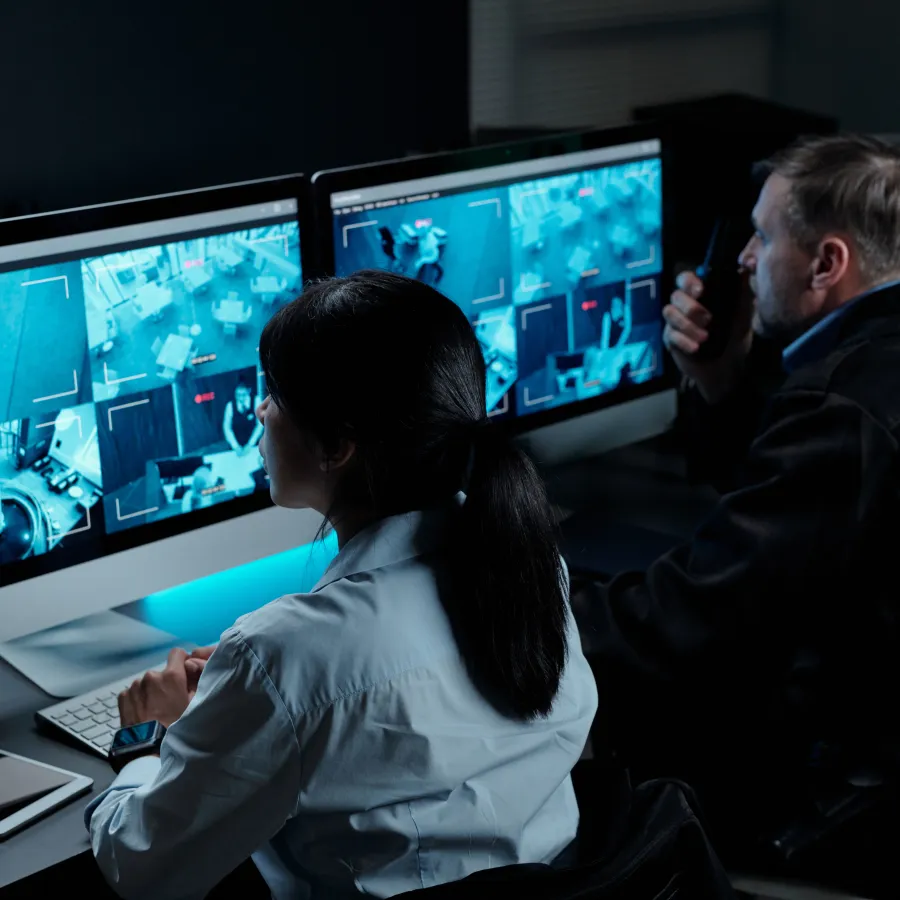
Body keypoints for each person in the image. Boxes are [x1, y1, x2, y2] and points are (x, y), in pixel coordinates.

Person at [84, 271, 598, 900]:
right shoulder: (530, 565)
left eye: (274, 394)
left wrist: (150, 736)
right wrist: (250, 696)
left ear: (335, 447)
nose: (260, 411)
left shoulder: (284, 651)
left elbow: (142, 866)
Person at [583, 134, 900, 873]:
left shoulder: (841, 405)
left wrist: (515, 607)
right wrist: (724, 384)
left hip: (847, 803)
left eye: (762, 237)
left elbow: (689, 624)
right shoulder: (860, 376)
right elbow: (816, 521)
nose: (743, 261)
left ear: (827, 263)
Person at [222, 378, 262, 456]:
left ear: (248, 391)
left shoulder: (256, 401)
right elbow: (227, 427)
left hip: (254, 445)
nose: (240, 398)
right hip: (236, 446)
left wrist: (250, 444)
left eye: (243, 395)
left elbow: (260, 425)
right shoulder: (230, 406)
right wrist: (235, 446)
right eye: (238, 395)